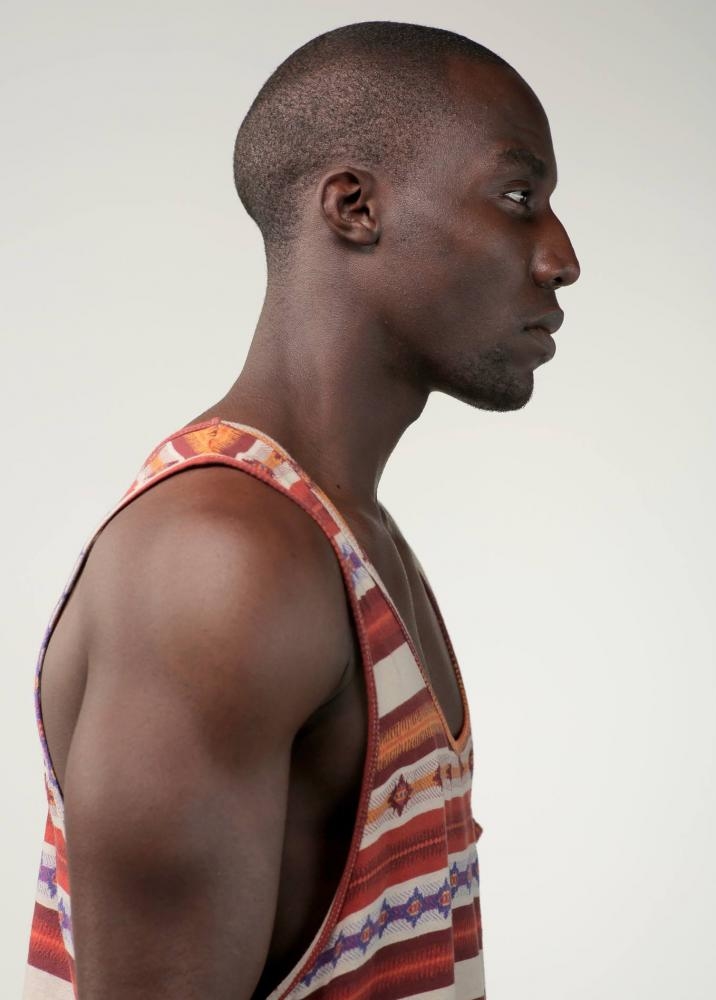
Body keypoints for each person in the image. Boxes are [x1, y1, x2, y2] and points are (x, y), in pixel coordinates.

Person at [23, 19, 580, 1000]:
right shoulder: (220, 561)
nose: (561, 258)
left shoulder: (344, 538)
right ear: (355, 207)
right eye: (517, 198)